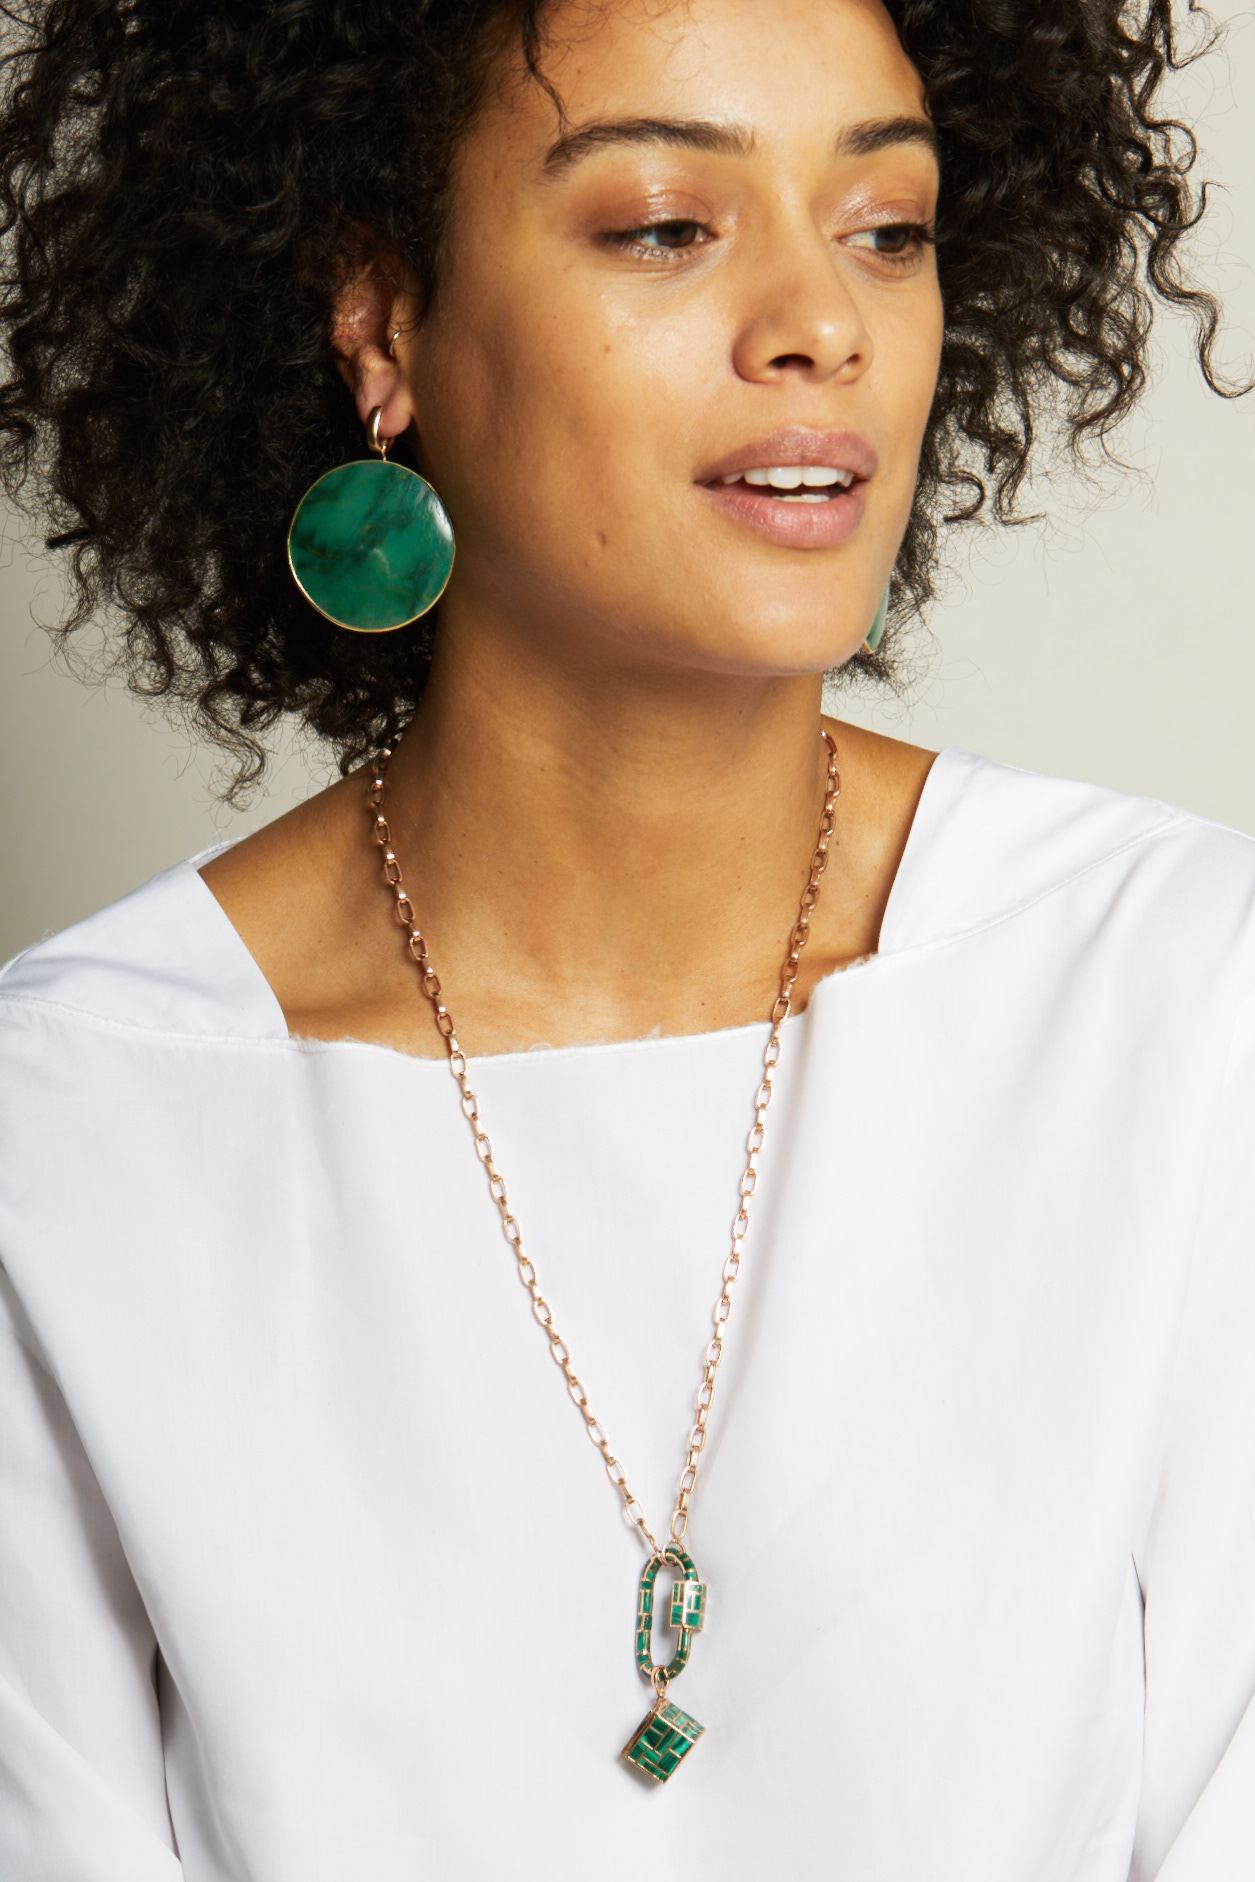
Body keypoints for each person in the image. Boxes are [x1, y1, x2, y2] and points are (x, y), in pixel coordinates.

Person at [0, 0, 1252, 1874]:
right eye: (668, 223)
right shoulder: (72, 1132)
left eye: (887, 227)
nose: (820, 321)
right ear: (385, 326)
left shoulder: (1175, 993)